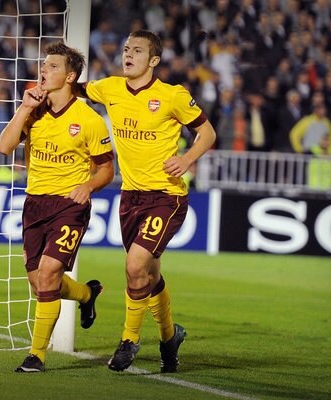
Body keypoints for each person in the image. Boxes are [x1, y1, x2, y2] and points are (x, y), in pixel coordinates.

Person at [78, 30, 217, 373]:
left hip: (166, 197)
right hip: (130, 198)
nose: (128, 54)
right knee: (149, 274)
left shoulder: (172, 96)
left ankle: (129, 340)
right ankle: (170, 337)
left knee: (135, 266)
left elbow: (208, 133)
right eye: (126, 49)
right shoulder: (109, 88)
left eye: (137, 50)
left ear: (153, 60)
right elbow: (74, 87)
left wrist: (187, 161)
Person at [0, 42, 115, 373]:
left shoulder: (89, 119)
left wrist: (88, 186)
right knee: (39, 283)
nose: (43, 71)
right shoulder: (34, 110)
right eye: (43, 66)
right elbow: (4, 147)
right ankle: (86, 295)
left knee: (49, 273)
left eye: (52, 67)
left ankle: (37, 355)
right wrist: (23, 108)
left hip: (69, 205)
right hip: (34, 204)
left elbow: (107, 169)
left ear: (70, 76)